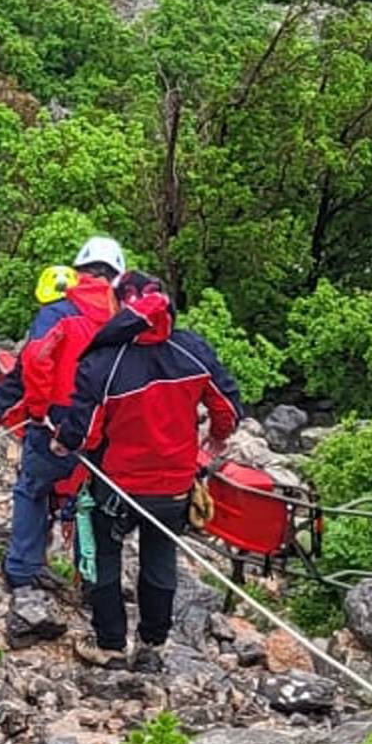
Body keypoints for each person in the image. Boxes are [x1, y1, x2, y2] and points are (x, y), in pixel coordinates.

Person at [55, 273, 242, 663]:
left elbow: (84, 432)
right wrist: (219, 436)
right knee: (160, 558)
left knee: (105, 557)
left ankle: (109, 645)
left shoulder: (105, 359)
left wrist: (63, 441)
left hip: (118, 484)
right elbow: (227, 404)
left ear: (120, 306)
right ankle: (152, 645)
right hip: (174, 483)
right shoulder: (192, 349)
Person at [0, 237, 126, 622]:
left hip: (53, 422)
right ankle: (91, 582)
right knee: (87, 505)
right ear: (117, 277)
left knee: (32, 490)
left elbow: (33, 367)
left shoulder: (59, 312)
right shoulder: (126, 321)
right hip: (102, 429)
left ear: (78, 272)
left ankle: (24, 570)